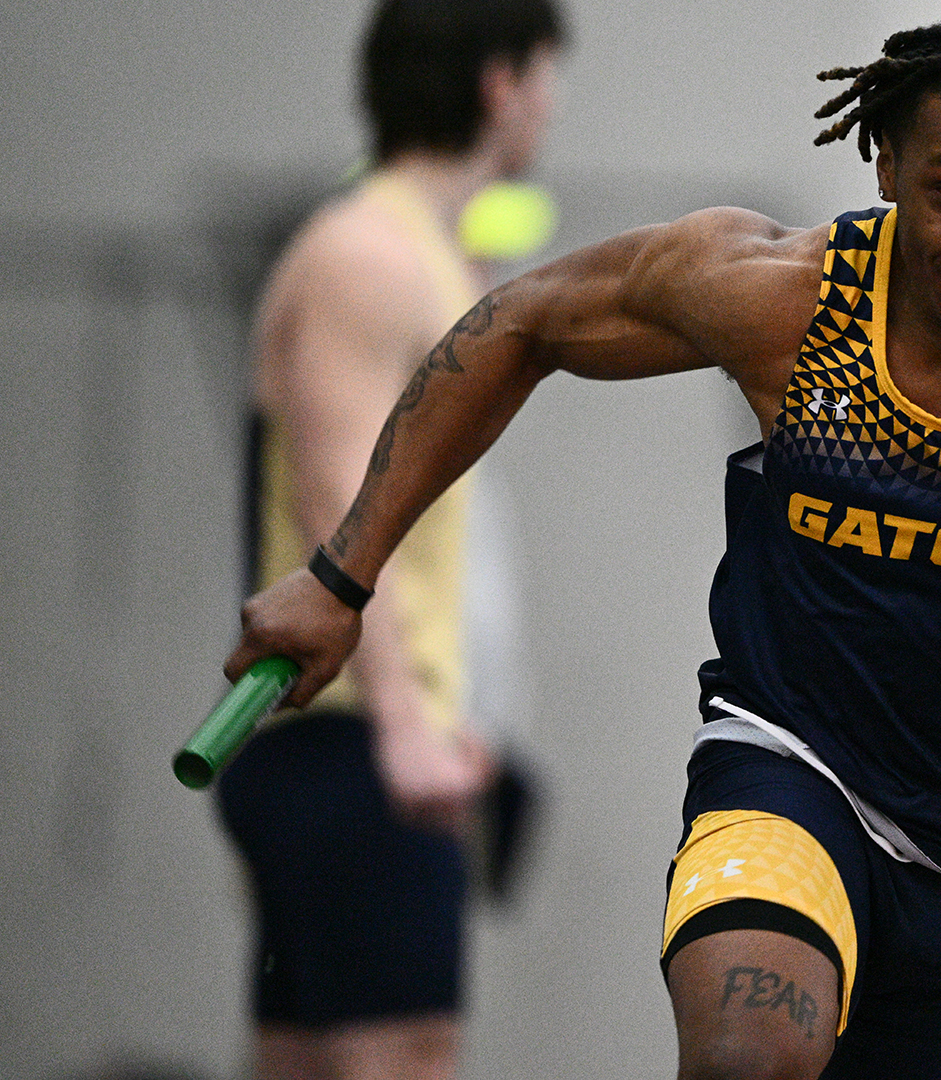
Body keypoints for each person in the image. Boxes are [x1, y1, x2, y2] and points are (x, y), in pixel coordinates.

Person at [224, 6, 941, 1077]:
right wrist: (340, 575)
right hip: (793, 767)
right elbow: (525, 322)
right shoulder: (792, 300)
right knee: (748, 1059)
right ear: (886, 169)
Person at [215, 1, 566, 1077]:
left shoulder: (420, 251)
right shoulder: (362, 252)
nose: (553, 108)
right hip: (352, 742)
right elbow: (337, 502)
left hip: (363, 742)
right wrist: (406, 729)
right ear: (503, 83)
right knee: (401, 1056)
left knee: (319, 1061)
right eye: (548, 78)